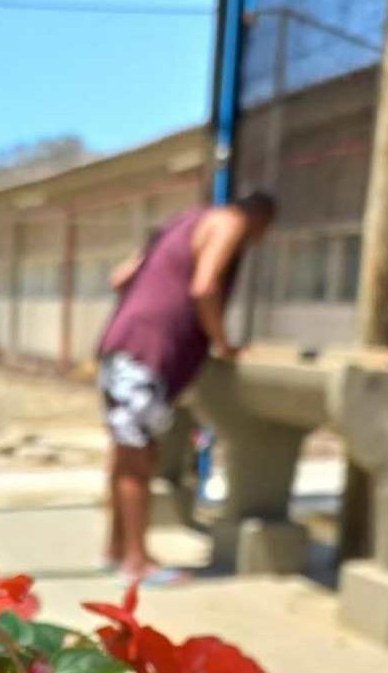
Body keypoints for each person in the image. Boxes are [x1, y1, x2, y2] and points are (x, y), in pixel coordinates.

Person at [98, 192, 277, 585]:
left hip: (121, 344)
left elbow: (120, 278)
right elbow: (205, 286)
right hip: (146, 353)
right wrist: (222, 341)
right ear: (260, 219)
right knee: (137, 459)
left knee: (126, 452)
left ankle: (115, 548)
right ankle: (136, 563)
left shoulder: (181, 223)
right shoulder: (229, 223)